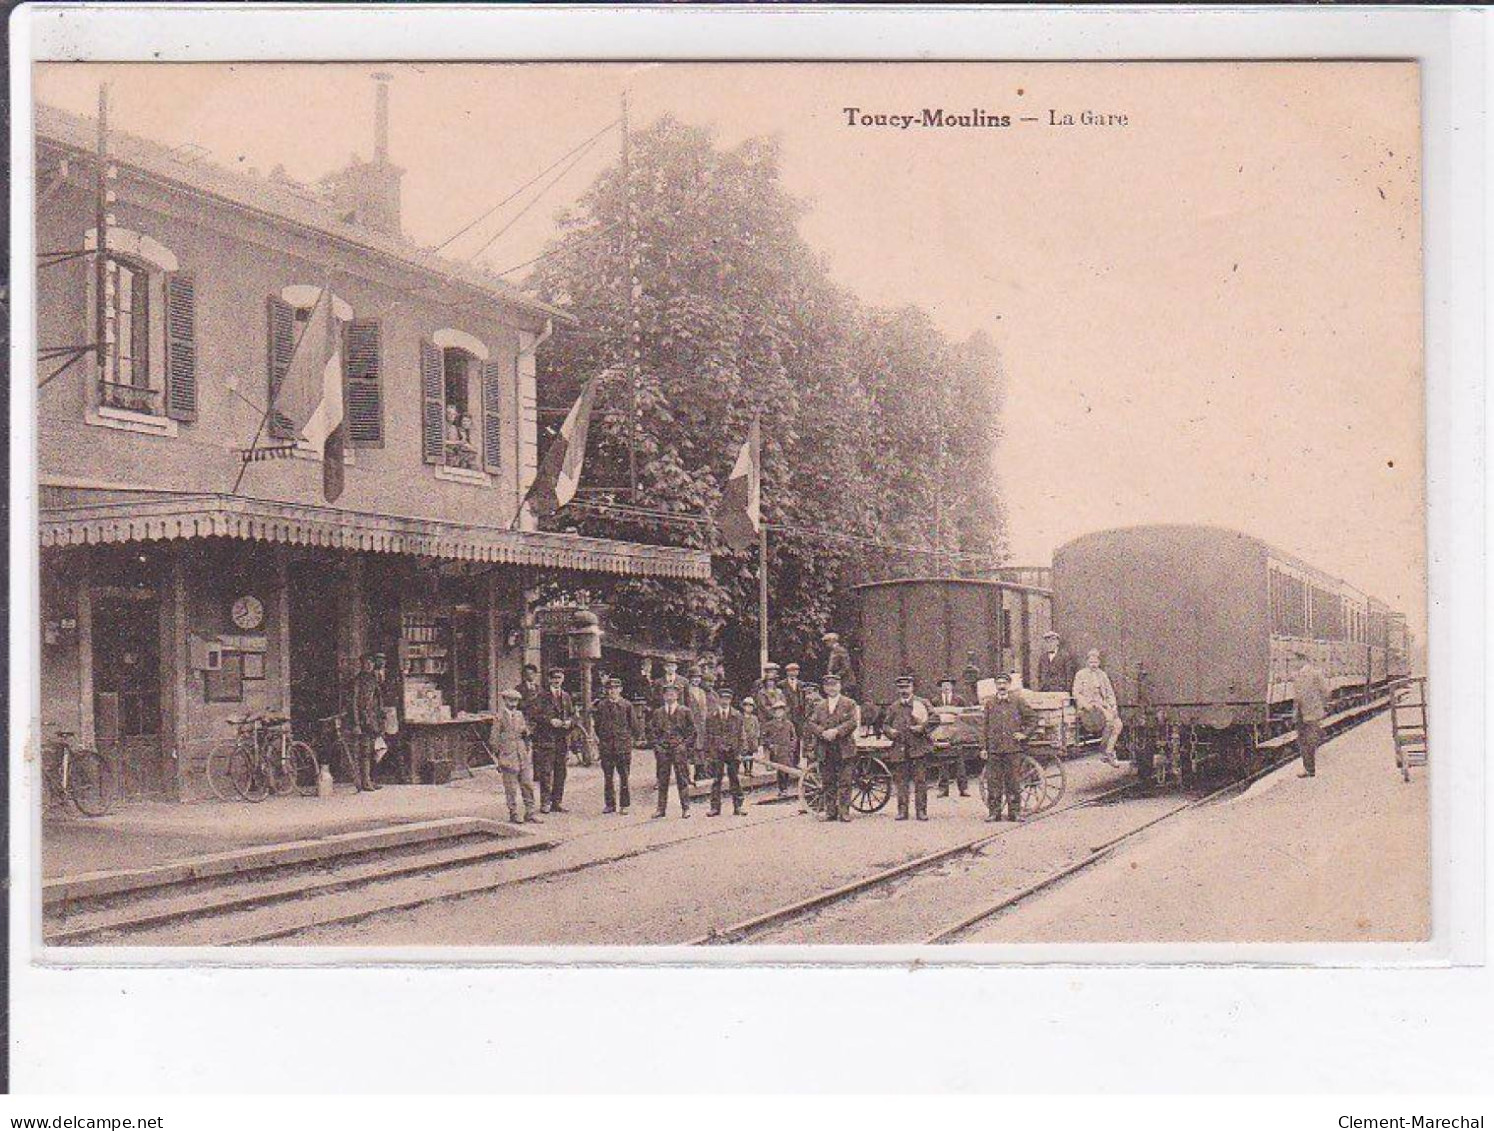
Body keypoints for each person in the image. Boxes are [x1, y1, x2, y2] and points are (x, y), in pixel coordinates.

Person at [982, 672, 1035, 821]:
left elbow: (1032, 718)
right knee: (993, 782)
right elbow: (984, 726)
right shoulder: (990, 703)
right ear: (996, 686)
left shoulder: (1017, 701)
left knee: (1013, 782)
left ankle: (1015, 813)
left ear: (1009, 685)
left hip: (1013, 748)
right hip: (994, 749)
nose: (1002, 686)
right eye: (999, 683)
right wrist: (983, 747)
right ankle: (994, 813)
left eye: (1004, 683)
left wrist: (1024, 734)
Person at [882, 674, 935, 821]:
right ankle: (902, 811)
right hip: (900, 748)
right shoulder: (893, 707)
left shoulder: (922, 703)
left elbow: (935, 718)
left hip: (918, 748)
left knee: (920, 781)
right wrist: (890, 731)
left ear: (912, 688)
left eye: (906, 687)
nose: (904, 690)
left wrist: (922, 728)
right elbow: (885, 725)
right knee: (901, 782)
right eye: (901, 688)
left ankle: (921, 811)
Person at [808, 671, 860, 822]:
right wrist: (822, 732)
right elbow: (811, 723)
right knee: (828, 781)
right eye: (828, 686)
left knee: (845, 781)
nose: (831, 688)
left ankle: (844, 812)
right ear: (824, 688)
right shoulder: (819, 706)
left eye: (834, 685)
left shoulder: (849, 703)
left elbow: (852, 722)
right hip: (825, 748)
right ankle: (831, 812)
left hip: (844, 747)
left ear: (840, 686)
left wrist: (836, 731)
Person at [491, 688, 540, 825]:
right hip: (508, 755)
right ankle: (513, 813)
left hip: (522, 754)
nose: (513, 703)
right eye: (510, 700)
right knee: (511, 787)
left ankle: (530, 812)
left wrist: (527, 744)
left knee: (527, 785)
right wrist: (499, 758)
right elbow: (494, 739)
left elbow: (525, 733)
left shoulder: (519, 715)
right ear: (504, 701)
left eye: (516, 701)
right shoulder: (499, 717)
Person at [648, 683, 695, 818]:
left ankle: (686, 808)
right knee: (662, 779)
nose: (670, 697)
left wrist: (684, 746)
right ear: (663, 696)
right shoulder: (658, 712)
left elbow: (692, 732)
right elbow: (652, 731)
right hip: (663, 751)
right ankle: (661, 809)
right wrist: (657, 746)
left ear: (677, 696)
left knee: (682, 778)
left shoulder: (685, 711)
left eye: (673, 694)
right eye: (667, 694)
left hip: (679, 750)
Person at [532, 667, 575, 813]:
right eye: (554, 677)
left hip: (562, 740)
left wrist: (570, 722)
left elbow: (573, 715)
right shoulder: (542, 696)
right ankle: (545, 803)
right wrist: (550, 721)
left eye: (560, 677)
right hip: (547, 739)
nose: (557, 680)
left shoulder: (566, 696)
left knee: (561, 772)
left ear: (563, 679)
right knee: (546, 772)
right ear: (550, 679)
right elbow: (535, 715)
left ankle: (557, 802)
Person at [593, 677, 639, 813]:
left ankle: (624, 805)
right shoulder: (601, 706)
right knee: (608, 777)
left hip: (623, 746)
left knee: (624, 776)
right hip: (607, 746)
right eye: (610, 689)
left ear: (620, 690)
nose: (612, 691)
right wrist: (603, 740)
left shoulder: (627, 705)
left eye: (615, 688)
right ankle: (610, 805)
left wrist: (629, 741)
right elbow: (597, 726)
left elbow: (634, 726)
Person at [1072, 649, 1124, 766]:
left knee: (1119, 724)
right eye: (1091, 662)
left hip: (1102, 705)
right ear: (1087, 662)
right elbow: (1076, 693)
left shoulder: (1102, 675)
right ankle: (1106, 752)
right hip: (1088, 708)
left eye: (1095, 662)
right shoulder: (1080, 675)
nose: (1093, 665)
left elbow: (1110, 693)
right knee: (1110, 721)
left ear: (1099, 662)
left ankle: (1108, 750)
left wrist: (1113, 706)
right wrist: (1086, 705)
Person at [705, 687, 747, 816]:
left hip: (733, 751)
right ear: (719, 699)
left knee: (734, 779)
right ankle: (715, 808)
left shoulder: (737, 715)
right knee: (717, 780)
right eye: (723, 698)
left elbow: (741, 734)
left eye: (728, 698)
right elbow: (708, 735)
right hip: (717, 752)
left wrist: (740, 751)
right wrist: (710, 753)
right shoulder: (711, 716)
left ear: (731, 700)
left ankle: (738, 806)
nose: (725, 701)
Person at [349, 652, 384, 791]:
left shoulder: (374, 679)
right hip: (364, 720)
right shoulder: (358, 681)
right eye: (366, 663)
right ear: (361, 664)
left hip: (374, 719)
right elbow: (354, 702)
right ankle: (365, 781)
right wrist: (356, 723)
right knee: (364, 751)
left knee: (373, 750)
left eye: (371, 662)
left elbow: (378, 700)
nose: (369, 665)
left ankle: (370, 779)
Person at [932, 676, 971, 799]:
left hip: (956, 734)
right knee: (943, 763)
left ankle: (963, 789)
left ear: (952, 686)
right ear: (941, 687)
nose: (946, 687)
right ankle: (943, 789)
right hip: (941, 733)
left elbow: (965, 716)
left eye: (948, 685)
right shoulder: (935, 700)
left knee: (960, 763)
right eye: (944, 685)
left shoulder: (959, 700)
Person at [1293, 652, 1330, 778]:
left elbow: (1325, 692)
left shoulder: (1315, 674)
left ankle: (1310, 769)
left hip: (1312, 712)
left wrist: (1320, 706)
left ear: (1303, 660)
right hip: (1301, 713)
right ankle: (1307, 768)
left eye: (1296, 661)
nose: (1294, 664)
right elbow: (1297, 696)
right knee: (1302, 741)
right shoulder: (1297, 675)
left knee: (1310, 740)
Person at [761, 698, 799, 798]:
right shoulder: (769, 725)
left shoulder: (789, 724)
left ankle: (785, 788)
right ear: (774, 712)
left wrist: (792, 747)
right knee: (780, 770)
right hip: (776, 751)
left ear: (784, 712)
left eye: (781, 710)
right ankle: (782, 789)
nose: (779, 713)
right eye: (777, 711)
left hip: (787, 750)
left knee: (786, 770)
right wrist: (770, 745)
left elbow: (794, 737)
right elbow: (764, 738)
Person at [782, 662, 812, 765]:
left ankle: (796, 762)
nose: (793, 673)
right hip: (787, 716)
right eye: (791, 671)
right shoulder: (782, 685)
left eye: (795, 670)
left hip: (799, 716)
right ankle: (787, 761)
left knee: (798, 738)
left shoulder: (802, 684)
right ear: (787, 672)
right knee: (786, 737)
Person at [686, 666, 711, 781]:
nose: (696, 680)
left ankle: (700, 773)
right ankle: (689, 775)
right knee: (692, 749)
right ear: (690, 678)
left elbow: (705, 708)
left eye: (698, 678)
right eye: (694, 677)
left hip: (702, 724)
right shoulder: (686, 692)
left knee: (701, 748)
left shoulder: (702, 692)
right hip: (691, 723)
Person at [823, 633, 857, 697]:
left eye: (827, 641)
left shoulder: (840, 650)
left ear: (832, 641)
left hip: (845, 682)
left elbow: (846, 666)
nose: (826, 644)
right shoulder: (833, 651)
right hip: (838, 683)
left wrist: (835, 677)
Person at [739, 695, 762, 776]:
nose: (748, 708)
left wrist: (757, 736)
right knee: (744, 753)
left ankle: (751, 769)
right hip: (744, 738)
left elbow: (757, 728)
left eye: (750, 706)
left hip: (752, 738)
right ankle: (746, 769)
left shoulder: (754, 718)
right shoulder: (740, 718)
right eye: (747, 706)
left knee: (751, 754)